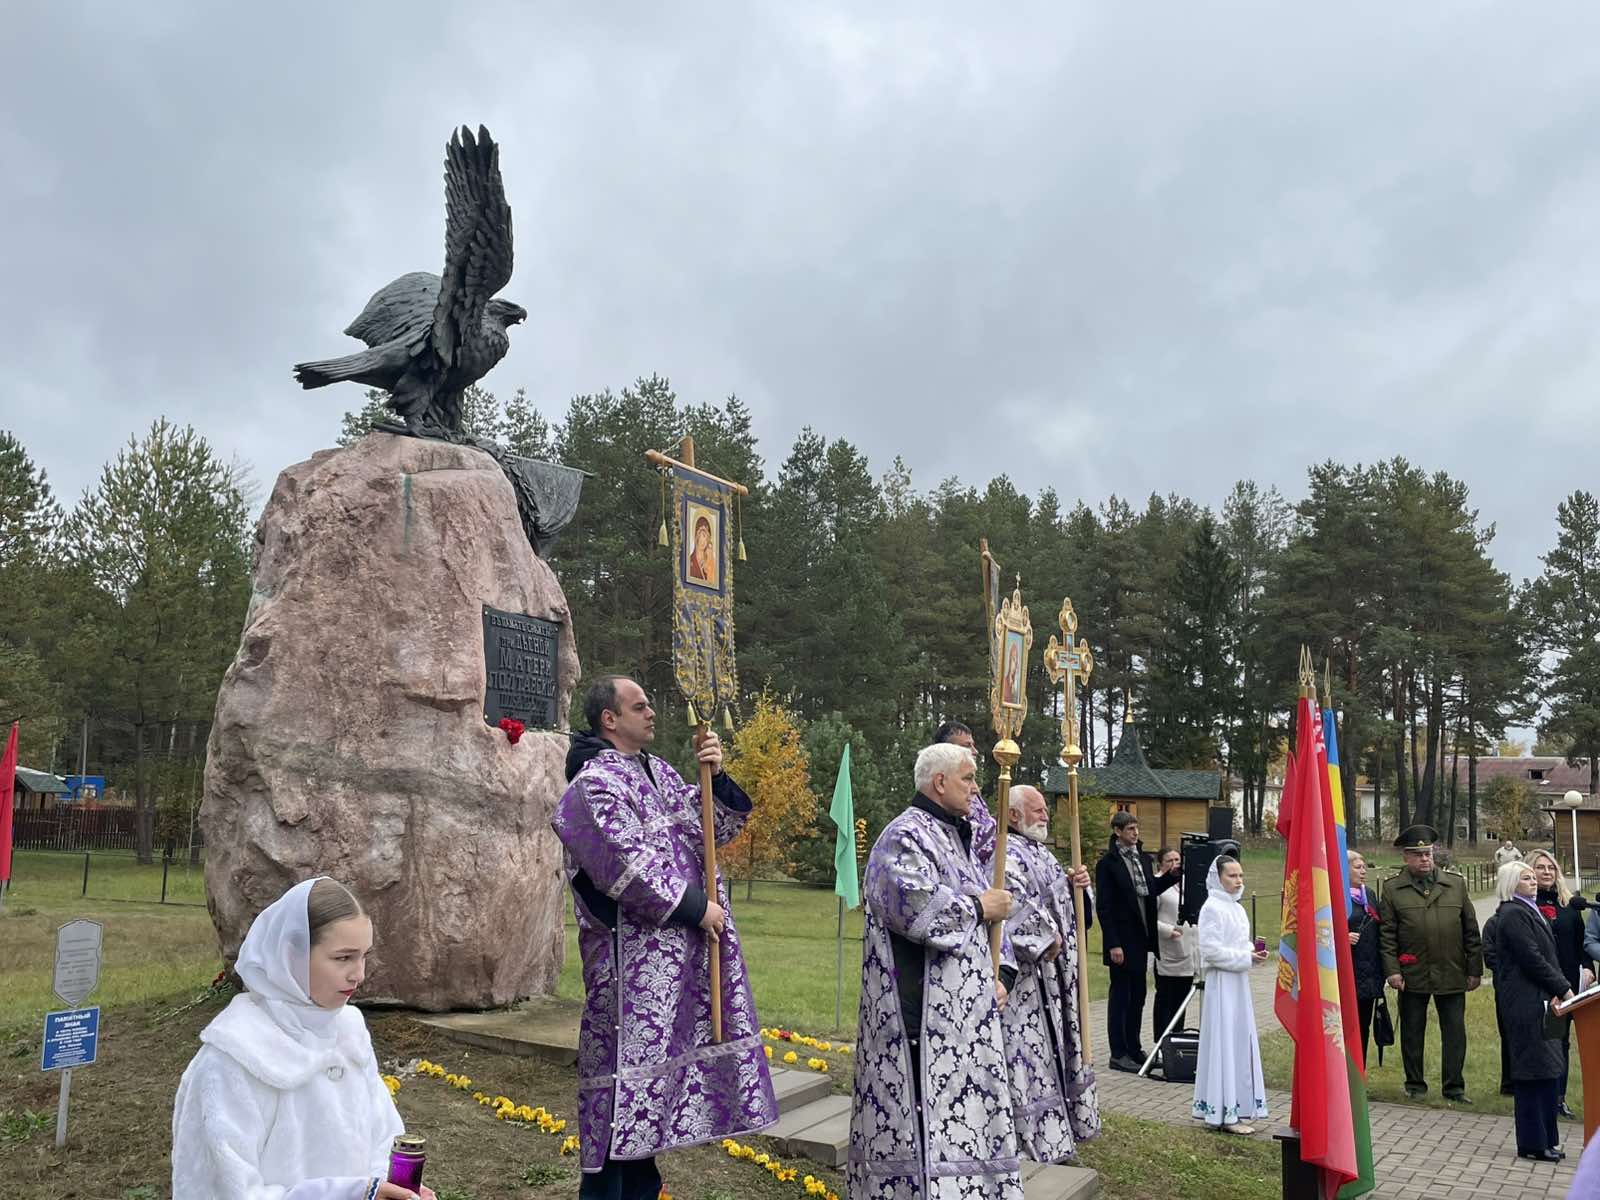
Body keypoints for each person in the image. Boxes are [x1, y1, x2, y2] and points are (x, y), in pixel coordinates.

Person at [553, 676, 777, 1200]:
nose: (652, 712)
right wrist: (698, 908)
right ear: (609, 719)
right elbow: (622, 865)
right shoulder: (593, 784)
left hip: (677, 964)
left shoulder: (658, 772)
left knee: (649, 1107)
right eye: (640, 706)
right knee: (619, 1099)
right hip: (629, 971)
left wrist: (716, 777)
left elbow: (713, 833)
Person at [171, 877, 432, 1200]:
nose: (359, 974)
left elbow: (384, 1137)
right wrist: (351, 1194)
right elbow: (225, 1189)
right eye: (343, 958)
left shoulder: (348, 1033)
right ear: (290, 954)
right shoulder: (235, 1055)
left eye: (364, 956)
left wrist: (391, 1190)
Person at [848, 742, 1021, 1200]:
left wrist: (998, 974)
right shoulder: (904, 835)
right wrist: (979, 906)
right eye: (968, 778)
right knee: (924, 1129)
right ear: (939, 782)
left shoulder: (955, 836)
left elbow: (986, 917)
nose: (976, 788)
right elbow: (915, 907)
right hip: (918, 1018)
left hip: (964, 1019)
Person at [1000, 784, 1100, 1162]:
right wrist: (1045, 938)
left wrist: (1079, 889)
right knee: (1029, 1062)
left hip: (1057, 983)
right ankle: (1031, 1142)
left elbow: (1073, 913)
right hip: (1027, 985)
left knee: (1055, 1056)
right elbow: (1012, 906)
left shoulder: (1043, 853)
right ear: (1013, 814)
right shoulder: (1005, 853)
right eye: (1038, 809)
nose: (1045, 816)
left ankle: (1060, 1136)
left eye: (1045, 809)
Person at [1377, 824, 1482, 1103]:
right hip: (1413, 972)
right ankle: (1415, 1085)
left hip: (1451, 969)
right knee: (1412, 1031)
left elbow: (1471, 930)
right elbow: (1387, 935)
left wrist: (1474, 970)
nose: (1425, 859)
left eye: (1428, 854)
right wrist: (1393, 971)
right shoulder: (1393, 889)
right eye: (1418, 854)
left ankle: (1454, 1087)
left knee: (1455, 1032)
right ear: (1406, 857)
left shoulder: (1455, 884)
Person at [1487, 861, 1573, 1163]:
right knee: (1533, 1071)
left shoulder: (1529, 910)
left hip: (1541, 998)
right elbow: (1532, 959)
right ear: (1512, 883)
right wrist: (1563, 988)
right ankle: (1533, 1143)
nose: (1534, 881)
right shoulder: (1513, 914)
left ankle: (1547, 1139)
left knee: (1547, 1069)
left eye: (1532, 877)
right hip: (1525, 1002)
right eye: (1526, 878)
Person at [1094, 810, 1181, 1072]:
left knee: (1138, 996)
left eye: (1136, 828)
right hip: (1121, 941)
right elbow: (1104, 907)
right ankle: (1118, 1053)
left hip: (1141, 939)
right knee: (1121, 997)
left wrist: (1172, 876)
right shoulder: (1108, 864)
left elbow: (1150, 890)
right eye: (1130, 829)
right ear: (1117, 831)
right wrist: (1113, 943)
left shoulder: (1142, 859)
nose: (1135, 833)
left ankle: (1134, 1048)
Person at [1190, 855, 1269, 1135]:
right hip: (1221, 983)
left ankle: (1237, 1105)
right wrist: (1244, 957)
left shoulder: (1237, 908)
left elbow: (1239, 942)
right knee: (1223, 1040)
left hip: (1238, 982)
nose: (1238, 881)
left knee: (1238, 1039)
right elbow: (1211, 950)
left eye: (1240, 875)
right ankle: (1223, 1112)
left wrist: (1252, 952)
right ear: (1218, 878)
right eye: (1232, 876)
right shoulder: (1212, 907)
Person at [1526, 848, 1590, 1117]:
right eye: (1540, 867)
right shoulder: (1525, 906)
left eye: (1551, 867)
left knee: (1561, 1041)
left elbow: (1581, 943)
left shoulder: (1569, 907)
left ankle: (1559, 1099)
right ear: (1529, 871)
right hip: (1537, 985)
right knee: (1540, 1041)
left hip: (1567, 985)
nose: (1547, 872)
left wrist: (1588, 968)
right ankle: (1537, 1098)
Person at [1152, 845, 1196, 1046]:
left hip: (1187, 951)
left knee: (1181, 1001)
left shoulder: (1187, 882)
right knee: (1165, 1000)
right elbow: (1148, 918)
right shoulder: (1157, 885)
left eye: (1177, 860)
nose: (1174, 864)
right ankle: (1162, 1043)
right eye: (1169, 860)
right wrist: (1167, 930)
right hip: (1167, 949)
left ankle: (1177, 1042)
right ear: (1160, 864)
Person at [1346, 850, 1385, 1066]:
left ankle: (1358, 1070)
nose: (1363, 871)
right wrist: (1341, 937)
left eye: (1364, 867)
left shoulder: (1368, 894)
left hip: (1368, 973)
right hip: (1346, 973)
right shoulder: (1334, 895)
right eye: (1358, 867)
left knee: (1363, 1025)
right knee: (1344, 1027)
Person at [688, 514, 715, 583]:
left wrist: (710, 560)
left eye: (706, 538)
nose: (703, 542)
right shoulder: (689, 560)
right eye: (702, 536)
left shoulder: (710, 561)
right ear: (696, 537)